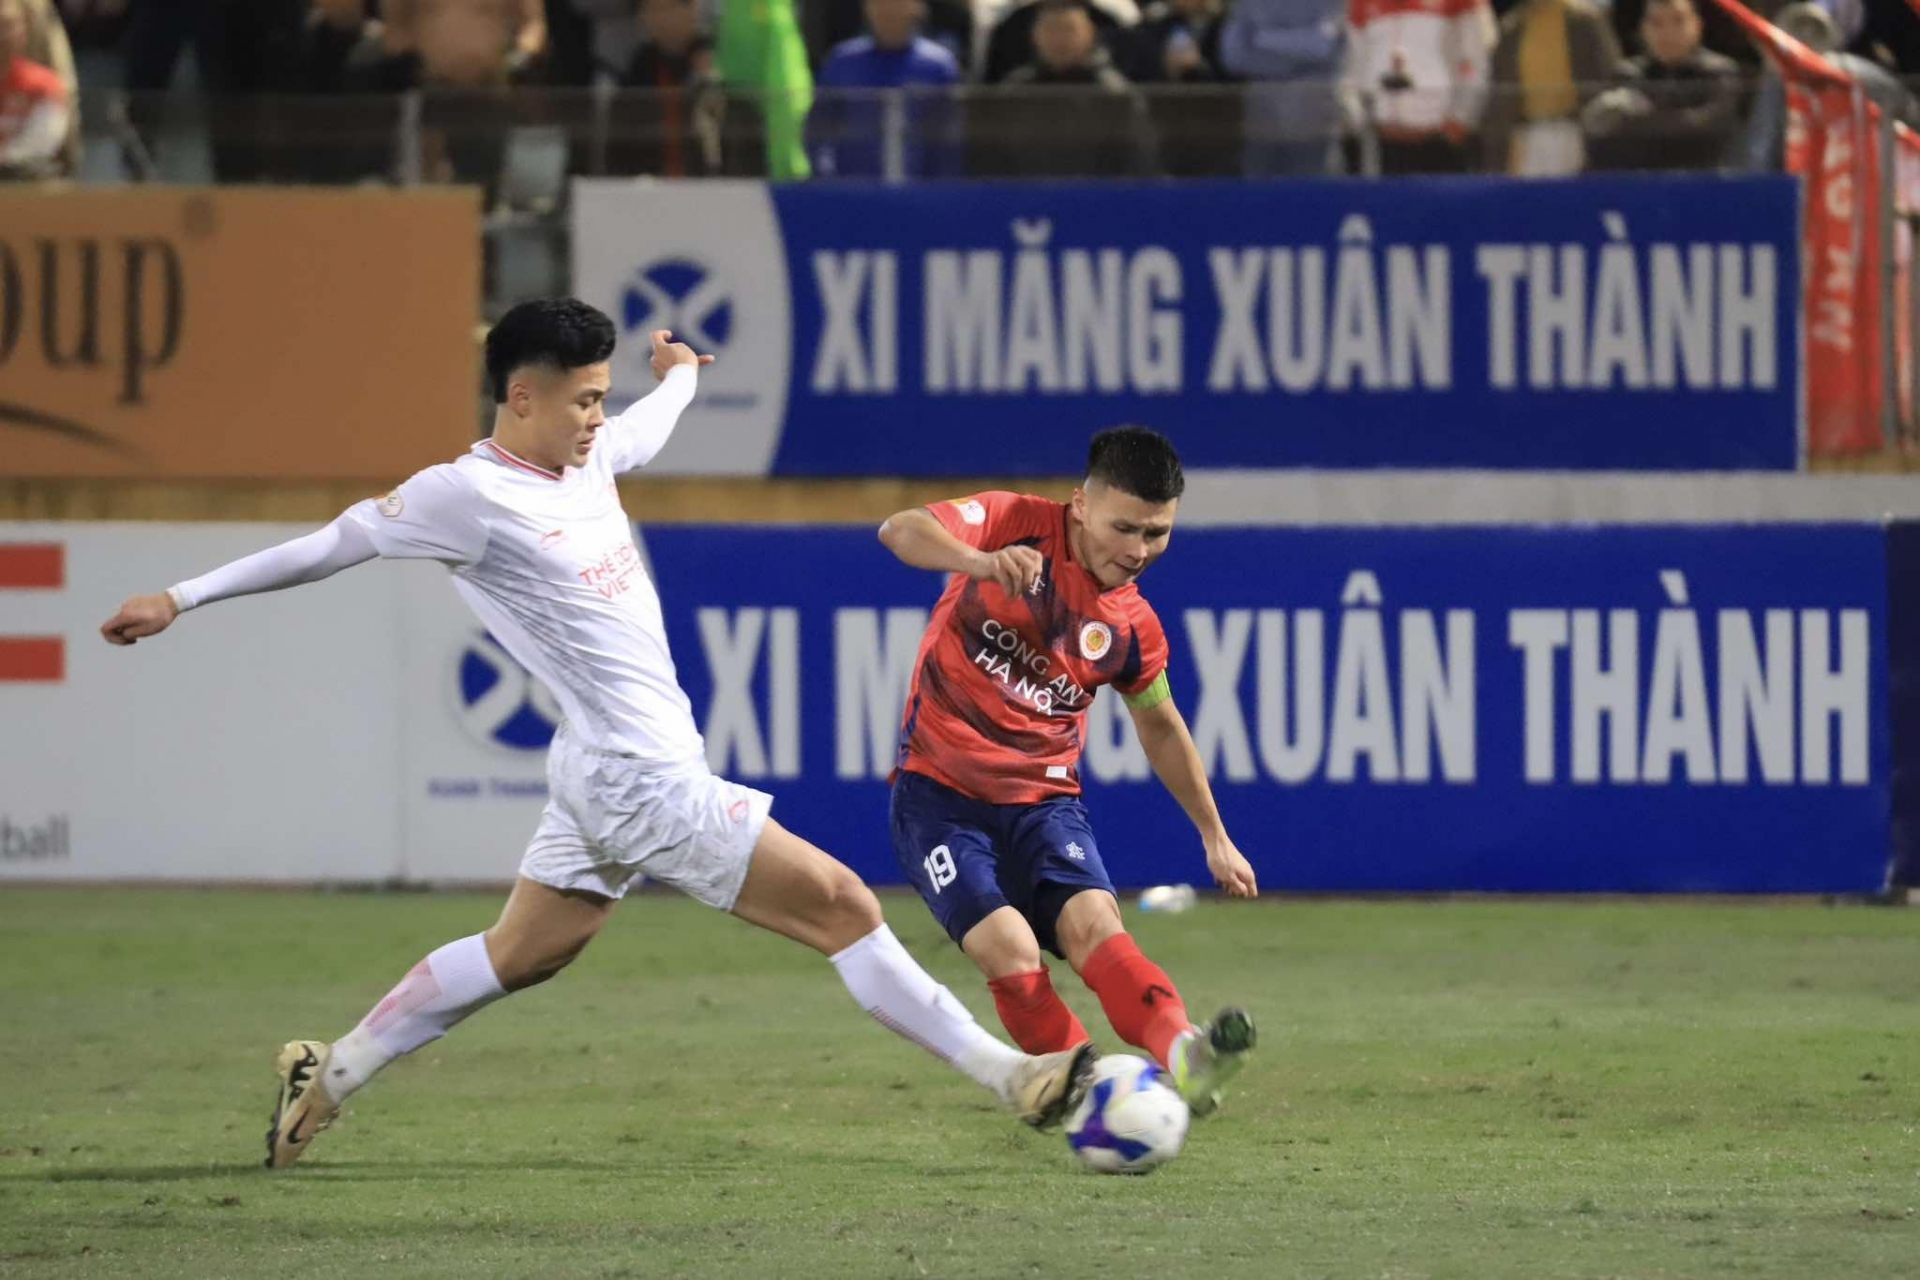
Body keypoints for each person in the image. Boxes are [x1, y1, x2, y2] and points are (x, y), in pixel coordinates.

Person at [99, 299, 1095, 1171]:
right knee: (839, 903)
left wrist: (677, 380)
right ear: (519, 396)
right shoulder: (465, 494)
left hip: (597, 770)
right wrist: (181, 597)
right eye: (582, 398)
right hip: (640, 776)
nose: (596, 416)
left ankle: (332, 1069)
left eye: (601, 396)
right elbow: (330, 545)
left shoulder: (592, 456)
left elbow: (649, 427)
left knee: (524, 951)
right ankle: (1012, 1074)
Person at [875, 427, 1257, 1116]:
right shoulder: (1009, 521)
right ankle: (1089, 1096)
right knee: (1011, 950)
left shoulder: (1134, 626)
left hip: (1045, 804)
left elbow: (1161, 725)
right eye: (1124, 528)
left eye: (1157, 533)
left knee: (1095, 927)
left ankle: (1186, 1056)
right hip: (939, 797)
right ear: (1080, 505)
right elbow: (899, 531)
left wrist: (1214, 835)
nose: (1138, 552)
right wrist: (981, 562)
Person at [1581, 0, 1740, 172]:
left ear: (1697, 25)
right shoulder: (1628, 74)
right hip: (1642, 180)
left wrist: (1650, 116)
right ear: (1643, 29)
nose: (1668, 32)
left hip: (1705, 178)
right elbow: (1615, 127)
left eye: (1678, 21)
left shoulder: (1720, 72)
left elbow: (1713, 124)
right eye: (1657, 23)